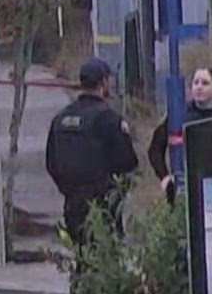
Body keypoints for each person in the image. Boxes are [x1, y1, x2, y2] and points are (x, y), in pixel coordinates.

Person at [45, 58, 141, 246]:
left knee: (82, 256)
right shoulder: (108, 119)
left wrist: (69, 190)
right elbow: (128, 162)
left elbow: (51, 163)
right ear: (104, 82)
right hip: (103, 203)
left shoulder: (61, 118)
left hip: (72, 203)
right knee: (105, 258)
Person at [148, 67, 212, 202]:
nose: (199, 87)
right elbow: (155, 149)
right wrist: (165, 177)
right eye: (195, 83)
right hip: (188, 186)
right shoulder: (179, 115)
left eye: (205, 83)